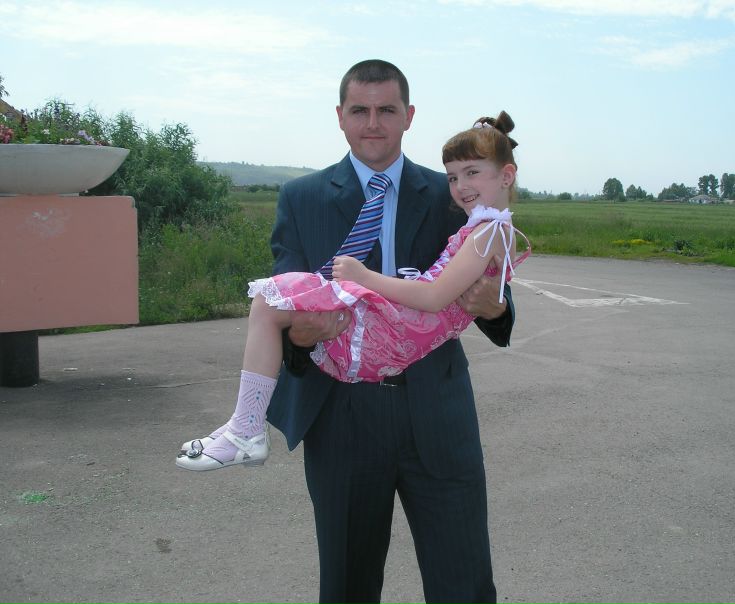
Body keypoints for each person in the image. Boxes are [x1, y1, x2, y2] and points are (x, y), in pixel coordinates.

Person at [179, 60, 520, 603]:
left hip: (438, 412)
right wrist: (301, 335)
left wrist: (494, 307)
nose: (373, 123)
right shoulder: (302, 197)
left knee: (465, 585)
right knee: (346, 587)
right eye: (360, 110)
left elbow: (494, 302)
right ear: (340, 116)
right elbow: (289, 311)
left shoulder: (455, 191)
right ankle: (244, 428)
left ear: (409, 116)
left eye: (387, 110)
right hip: (342, 418)